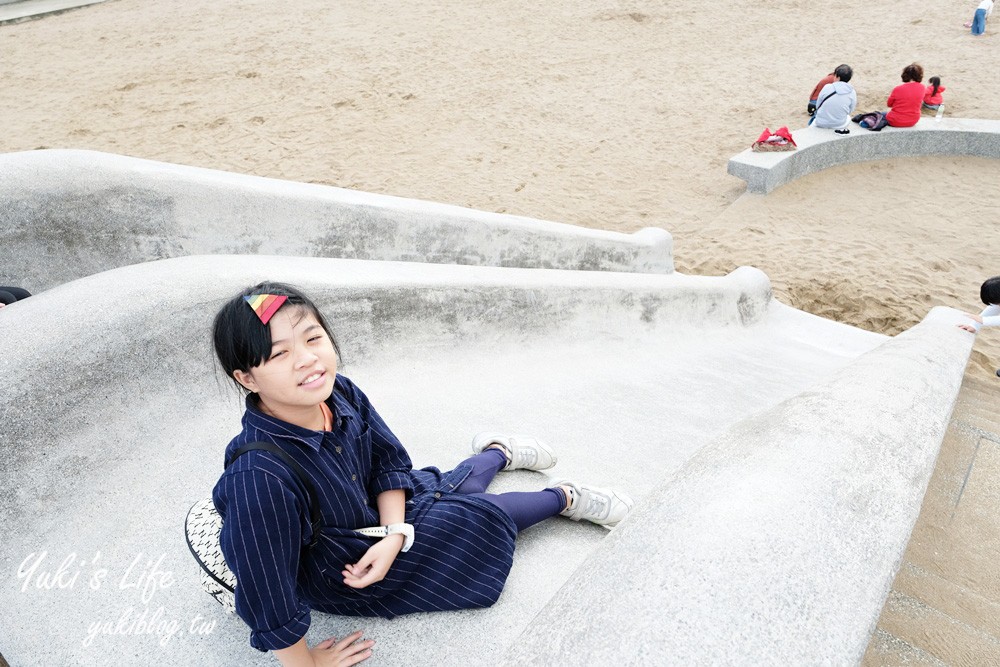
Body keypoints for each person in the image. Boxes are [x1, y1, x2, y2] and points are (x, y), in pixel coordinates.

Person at [211, 282, 634, 666]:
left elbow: (387, 461)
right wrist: (307, 663)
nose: (308, 359)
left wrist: (396, 531)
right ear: (247, 377)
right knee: (471, 517)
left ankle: (497, 453)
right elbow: (264, 584)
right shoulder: (260, 479)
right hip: (346, 565)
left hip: (381, 517)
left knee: (444, 490)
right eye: (280, 353)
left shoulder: (339, 391)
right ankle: (565, 498)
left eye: (313, 337)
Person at [812, 64, 857, 132]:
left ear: (838, 77)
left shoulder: (827, 87)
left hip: (821, 123)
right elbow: (851, 109)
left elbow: (818, 105)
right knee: (847, 117)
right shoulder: (852, 92)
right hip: (840, 124)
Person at [886, 63, 925, 128]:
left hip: (895, 120)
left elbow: (889, 104)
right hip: (913, 120)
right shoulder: (923, 88)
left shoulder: (898, 89)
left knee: (882, 114)